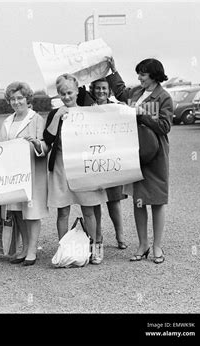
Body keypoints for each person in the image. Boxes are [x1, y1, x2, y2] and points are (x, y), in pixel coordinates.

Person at [105, 57, 172, 264]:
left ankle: (157, 247)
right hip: (136, 153)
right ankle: (143, 245)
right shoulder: (135, 93)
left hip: (156, 154)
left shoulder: (164, 97)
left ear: (154, 75)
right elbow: (120, 92)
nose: (139, 77)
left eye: (143, 73)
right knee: (139, 199)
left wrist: (143, 116)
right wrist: (113, 70)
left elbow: (165, 126)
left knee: (157, 201)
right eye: (139, 73)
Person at [43, 74, 107, 265]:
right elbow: (48, 139)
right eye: (62, 93)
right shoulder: (55, 113)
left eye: (69, 92)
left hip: (82, 166)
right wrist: (58, 117)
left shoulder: (88, 111)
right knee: (62, 212)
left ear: (77, 91)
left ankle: (96, 248)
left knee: (89, 210)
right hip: (61, 166)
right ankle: (64, 247)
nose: (66, 97)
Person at [0, 82, 48, 266]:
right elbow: (1, 147)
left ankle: (32, 250)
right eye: (12, 99)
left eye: (20, 98)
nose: (16, 102)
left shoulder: (36, 119)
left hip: (32, 172)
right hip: (13, 174)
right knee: (17, 211)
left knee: (32, 211)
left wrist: (36, 143)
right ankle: (24, 247)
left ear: (27, 99)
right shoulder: (7, 121)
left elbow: (45, 147)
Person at [85, 79, 128, 253]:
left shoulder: (116, 108)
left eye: (104, 88)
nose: (101, 91)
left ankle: (120, 235)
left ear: (109, 90)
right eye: (98, 88)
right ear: (93, 90)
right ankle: (98, 236)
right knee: (95, 201)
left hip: (111, 159)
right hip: (92, 158)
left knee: (114, 199)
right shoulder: (86, 108)